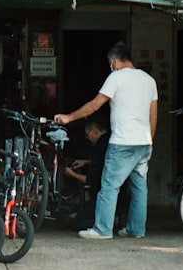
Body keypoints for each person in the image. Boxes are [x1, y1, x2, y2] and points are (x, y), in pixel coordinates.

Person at [54, 42, 158, 240]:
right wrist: (149, 139)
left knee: (109, 185)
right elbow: (153, 114)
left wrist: (69, 117)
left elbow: (94, 105)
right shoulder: (149, 80)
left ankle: (102, 228)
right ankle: (136, 229)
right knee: (139, 188)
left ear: (115, 61)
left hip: (122, 143)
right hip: (143, 143)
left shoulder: (116, 77)